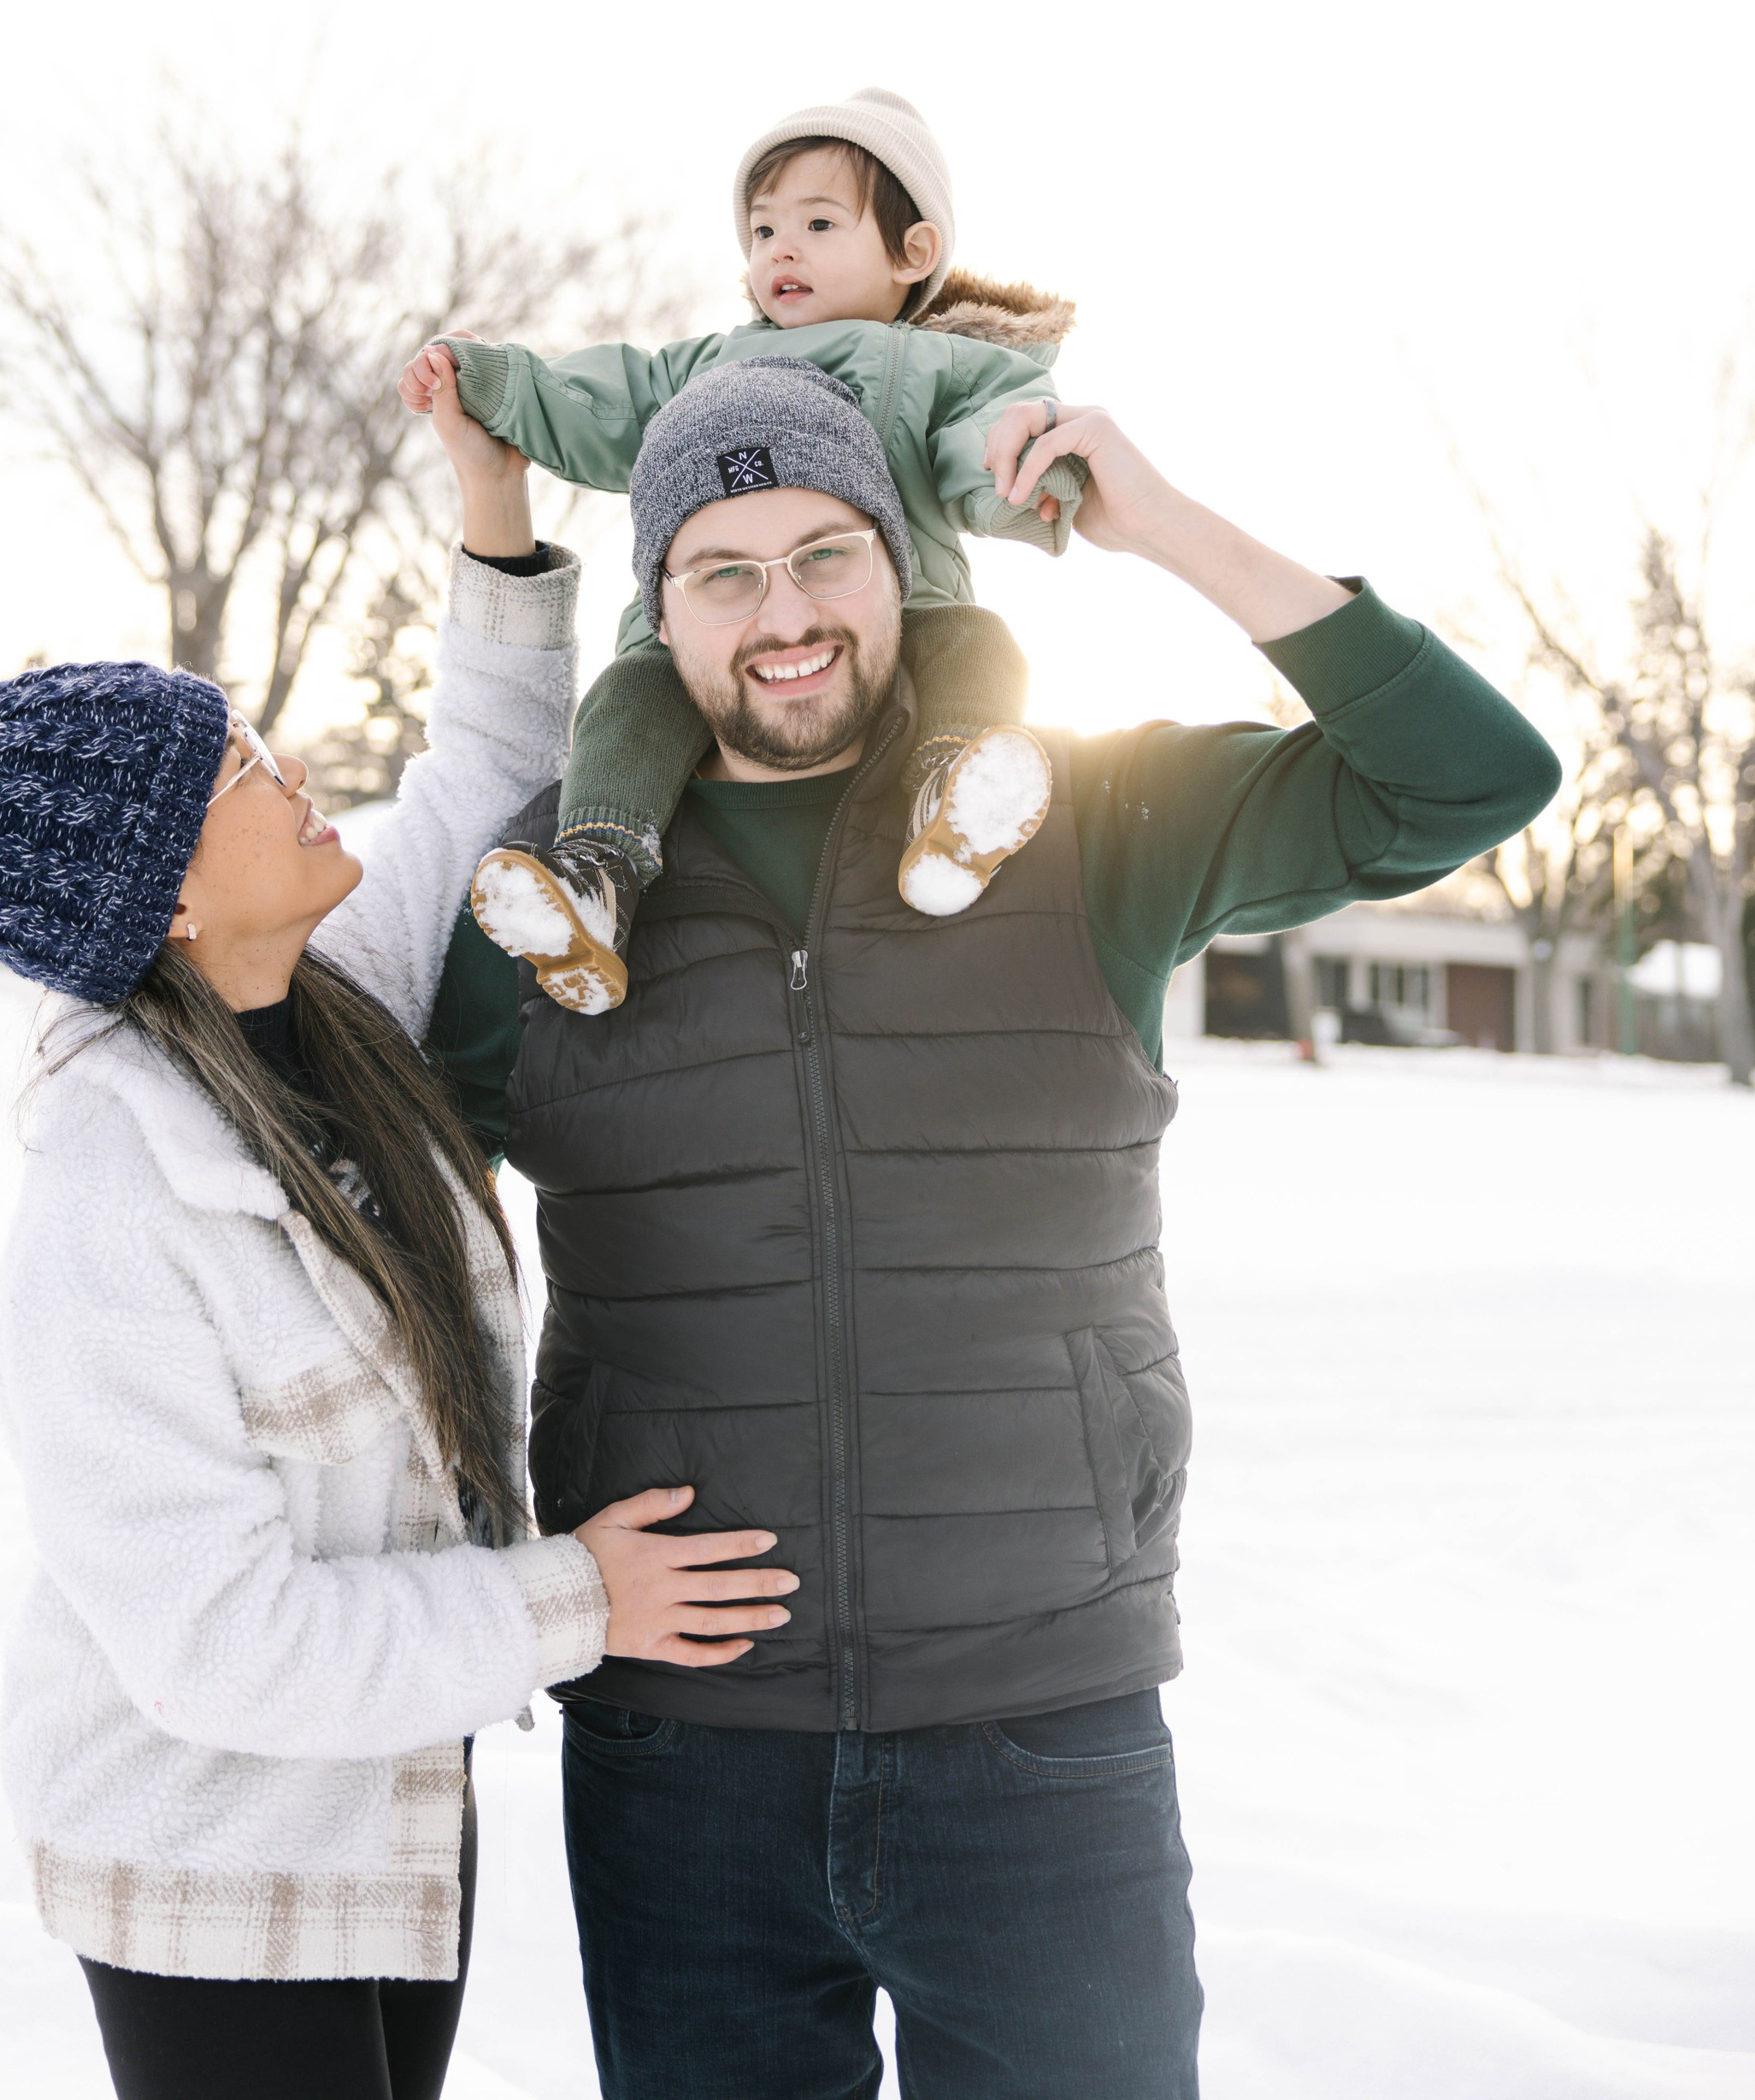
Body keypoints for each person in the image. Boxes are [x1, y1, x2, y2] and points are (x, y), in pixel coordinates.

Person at [428, 360, 1564, 2098]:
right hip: (681, 1752)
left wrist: (1162, 525)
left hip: (1039, 1738)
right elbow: (389, 1240)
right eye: (722, 571)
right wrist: (513, 1590)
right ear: (657, 615)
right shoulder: (553, 897)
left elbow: (1463, 778)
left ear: (900, 561)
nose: (786, 612)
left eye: (825, 551)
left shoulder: (1081, 816)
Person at [0, 355, 798, 2100]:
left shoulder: (339, 1015)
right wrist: (575, 1597)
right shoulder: (109, 1214)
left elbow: (479, 760)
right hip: (207, 1859)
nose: (298, 760)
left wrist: (487, 497)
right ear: (160, 883)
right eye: (246, 761)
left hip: (394, 1808)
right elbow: (221, 1646)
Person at [404, 84, 1091, 1016]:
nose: (782, 251)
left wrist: (1032, 471)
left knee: (978, 644)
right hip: (706, 632)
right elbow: (606, 402)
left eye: (817, 221)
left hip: (907, 614)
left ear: (912, 250)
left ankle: (956, 794)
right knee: (629, 694)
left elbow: (987, 441)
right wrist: (494, 383)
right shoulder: (709, 364)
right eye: (762, 232)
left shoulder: (939, 365)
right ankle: (598, 874)